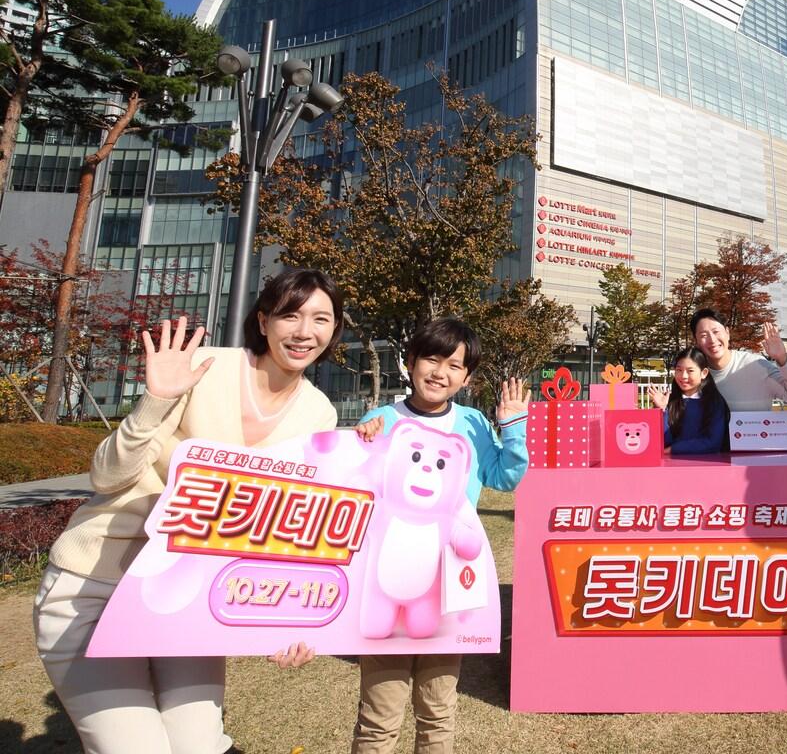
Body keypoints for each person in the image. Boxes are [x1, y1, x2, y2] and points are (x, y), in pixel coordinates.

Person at [34, 268, 345, 754]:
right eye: (290, 315)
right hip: (95, 587)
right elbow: (106, 477)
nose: (305, 332)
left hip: (187, 602)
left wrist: (289, 620)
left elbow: (284, 530)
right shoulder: (204, 368)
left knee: (200, 745)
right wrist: (157, 398)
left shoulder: (319, 413)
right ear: (263, 321)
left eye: (321, 319)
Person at [349, 317, 529, 754]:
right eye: (431, 358)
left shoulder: (471, 423)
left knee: (438, 713)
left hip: (450, 586)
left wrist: (512, 427)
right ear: (409, 362)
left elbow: (504, 477)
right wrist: (362, 440)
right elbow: (357, 487)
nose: (440, 372)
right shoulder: (382, 419)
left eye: (454, 364)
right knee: (378, 716)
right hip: (387, 582)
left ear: (466, 378)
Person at [689, 308, 787, 411]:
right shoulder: (695, 375)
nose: (712, 340)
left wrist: (782, 358)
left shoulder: (755, 365)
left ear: (727, 333)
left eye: (716, 332)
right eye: (703, 335)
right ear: (696, 342)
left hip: (759, 436)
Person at [646, 347, 731, 455]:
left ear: (704, 373)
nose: (683, 376)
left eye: (690, 371)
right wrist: (661, 410)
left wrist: (674, 449)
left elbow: (713, 443)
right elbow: (660, 441)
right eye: (679, 370)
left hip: (708, 466)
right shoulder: (670, 400)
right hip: (671, 467)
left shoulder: (714, 402)